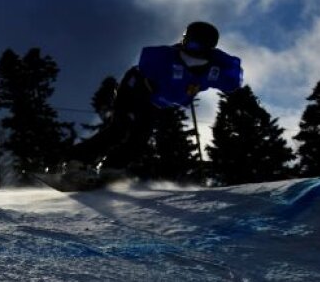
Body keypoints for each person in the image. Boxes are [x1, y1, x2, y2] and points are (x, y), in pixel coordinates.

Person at [68, 21, 242, 174]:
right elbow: (148, 64)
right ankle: (76, 160)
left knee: (140, 138)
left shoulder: (213, 68)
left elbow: (233, 82)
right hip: (134, 91)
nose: (188, 46)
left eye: (195, 45)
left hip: (154, 103)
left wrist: (225, 67)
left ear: (208, 47)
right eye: (186, 40)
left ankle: (110, 169)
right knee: (120, 128)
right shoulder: (168, 57)